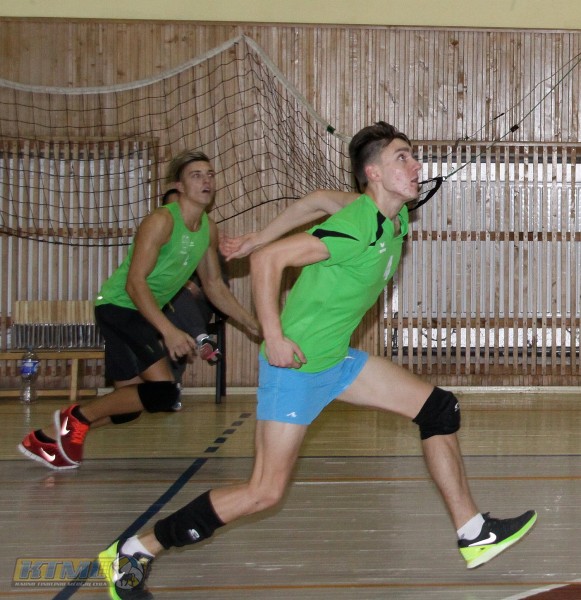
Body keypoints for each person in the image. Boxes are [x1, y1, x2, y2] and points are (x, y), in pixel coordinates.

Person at [98, 123, 536, 599]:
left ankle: (473, 532)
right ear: (373, 173)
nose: (416, 166)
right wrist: (274, 335)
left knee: (439, 409)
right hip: (297, 368)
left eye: (413, 156)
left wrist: (255, 236)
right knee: (263, 492)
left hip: (335, 361)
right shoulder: (356, 226)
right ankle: (135, 550)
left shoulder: (391, 217)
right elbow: (268, 263)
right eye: (402, 158)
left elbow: (316, 200)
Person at [18, 150, 259, 471]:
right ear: (179, 186)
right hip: (121, 307)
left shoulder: (208, 229)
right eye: (196, 175)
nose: (206, 180)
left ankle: (46, 439)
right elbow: (135, 283)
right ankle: (74, 418)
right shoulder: (161, 221)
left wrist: (253, 324)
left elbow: (214, 285)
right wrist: (169, 330)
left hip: (138, 312)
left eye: (210, 174)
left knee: (128, 407)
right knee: (164, 393)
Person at [160, 188, 228, 382]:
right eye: (173, 209)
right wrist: (182, 282)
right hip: (161, 308)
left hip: (199, 306)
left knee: (175, 307)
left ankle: (171, 385)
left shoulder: (205, 237)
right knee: (172, 304)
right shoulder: (156, 240)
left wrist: (199, 288)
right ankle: (203, 339)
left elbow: (221, 288)